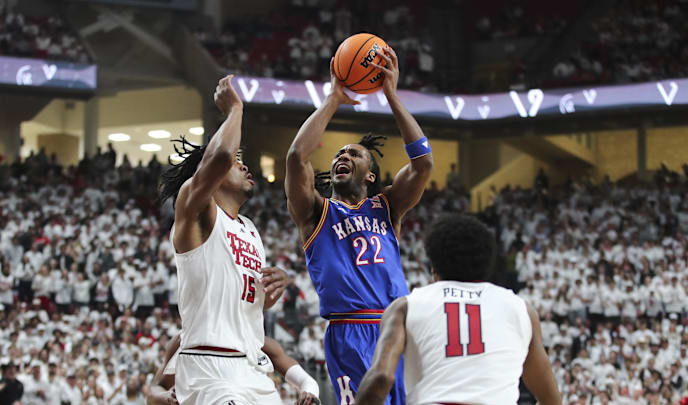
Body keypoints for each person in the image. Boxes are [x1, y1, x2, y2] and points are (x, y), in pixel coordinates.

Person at [285, 48, 433, 405]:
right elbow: (295, 158)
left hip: (396, 327)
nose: (342, 157)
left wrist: (392, 96)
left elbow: (423, 162)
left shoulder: (387, 206)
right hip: (349, 330)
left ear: (370, 175)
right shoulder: (314, 212)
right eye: (338, 155)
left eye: (353, 154)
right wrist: (333, 99)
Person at [158, 75, 289, 405]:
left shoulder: (249, 229)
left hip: (252, 367)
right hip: (210, 364)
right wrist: (235, 110)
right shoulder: (195, 208)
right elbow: (218, 159)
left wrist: (272, 288)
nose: (244, 168)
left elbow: (240, 303)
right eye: (237, 162)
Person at [355, 214, 561, 405]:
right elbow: (551, 399)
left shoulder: (405, 306)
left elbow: (381, 378)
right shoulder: (521, 309)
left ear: (433, 267)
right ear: (487, 263)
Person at [147, 334, 320, 405]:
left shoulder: (260, 343)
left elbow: (307, 382)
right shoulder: (184, 340)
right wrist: (165, 397)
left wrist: (309, 395)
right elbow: (152, 393)